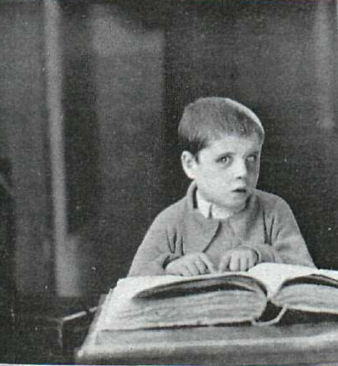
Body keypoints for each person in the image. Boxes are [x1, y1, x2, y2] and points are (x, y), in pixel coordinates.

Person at [128, 97, 315, 277]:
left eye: (251, 158)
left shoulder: (274, 210)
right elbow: (134, 282)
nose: (242, 171)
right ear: (190, 164)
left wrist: (260, 255)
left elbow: (306, 274)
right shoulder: (171, 220)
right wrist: (170, 266)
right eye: (224, 159)